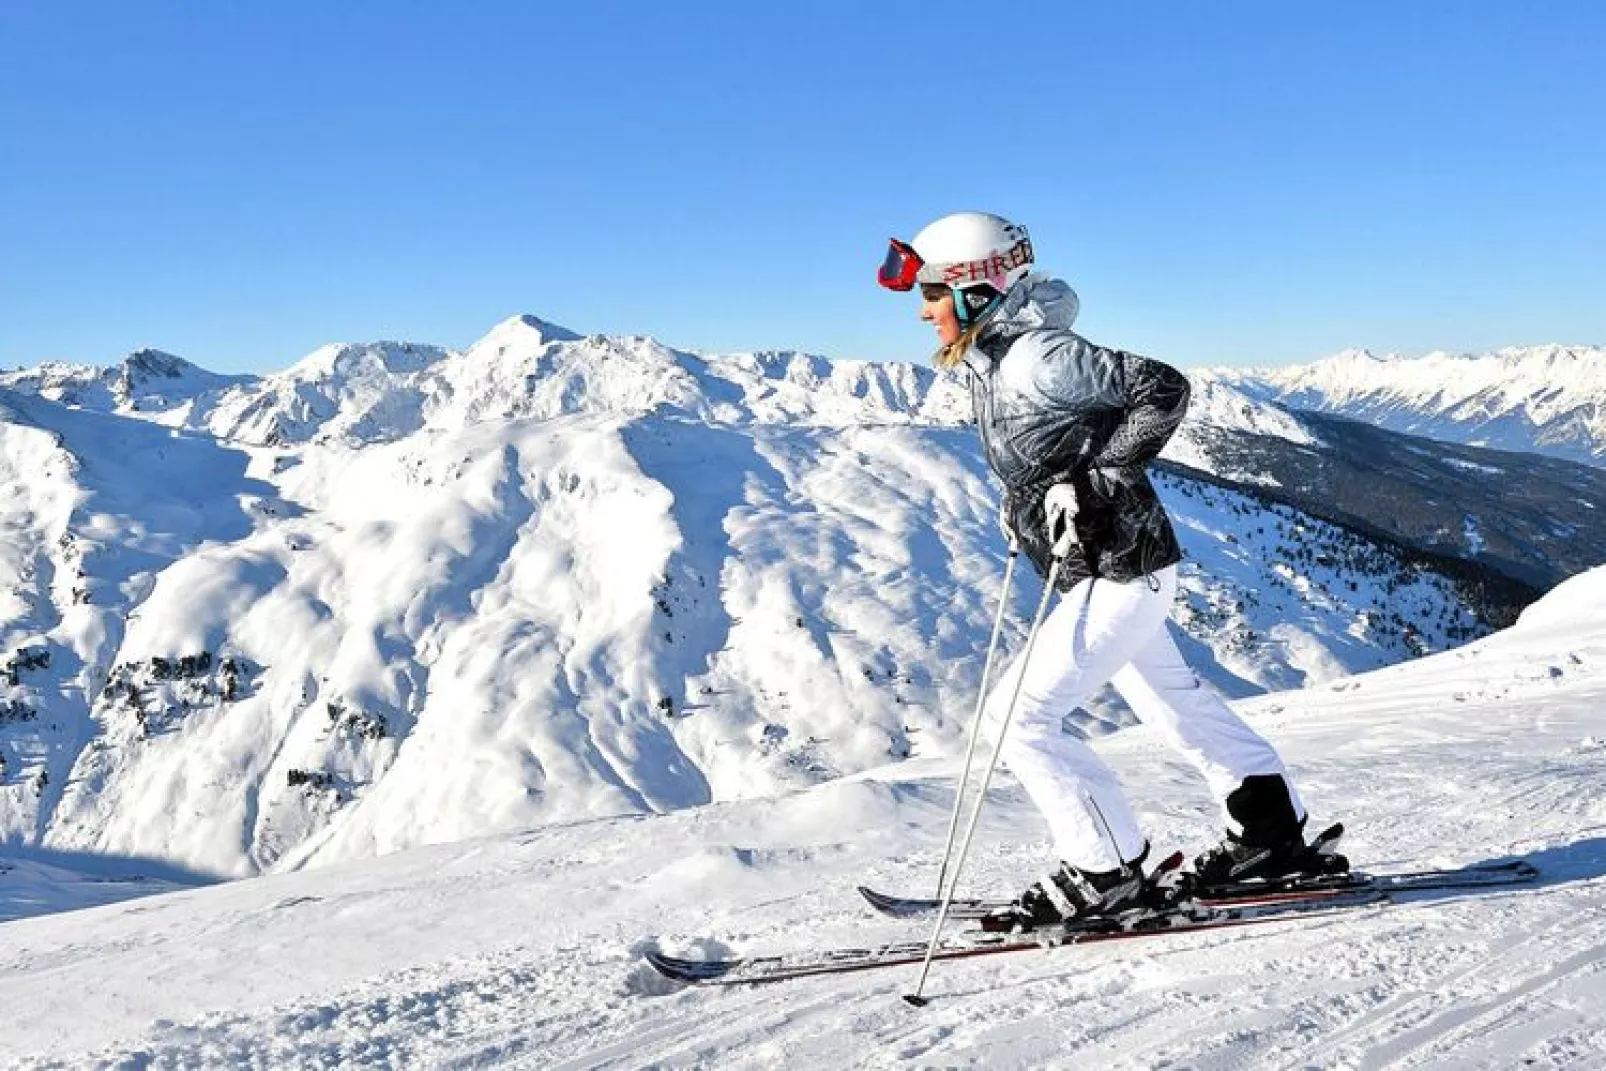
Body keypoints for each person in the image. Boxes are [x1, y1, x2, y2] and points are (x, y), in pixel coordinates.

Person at [877, 211, 1346, 929]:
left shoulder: (1040, 358)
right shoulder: (995, 357)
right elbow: (1048, 447)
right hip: (1112, 568)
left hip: (1121, 573)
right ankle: (1271, 834)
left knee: (1015, 720)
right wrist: (1030, 503)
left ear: (976, 288)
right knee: (1174, 702)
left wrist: (1097, 479)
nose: (922, 307)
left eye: (934, 290)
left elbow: (1163, 389)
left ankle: (1106, 868)